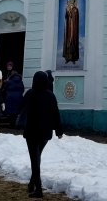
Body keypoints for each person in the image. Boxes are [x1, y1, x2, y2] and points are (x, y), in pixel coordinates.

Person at [19, 70, 63, 198]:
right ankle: (32, 184)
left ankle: (38, 189)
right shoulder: (51, 95)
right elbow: (56, 114)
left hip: (32, 131)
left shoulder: (31, 93)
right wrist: (59, 131)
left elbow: (20, 107)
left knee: (35, 159)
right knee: (37, 157)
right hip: (45, 133)